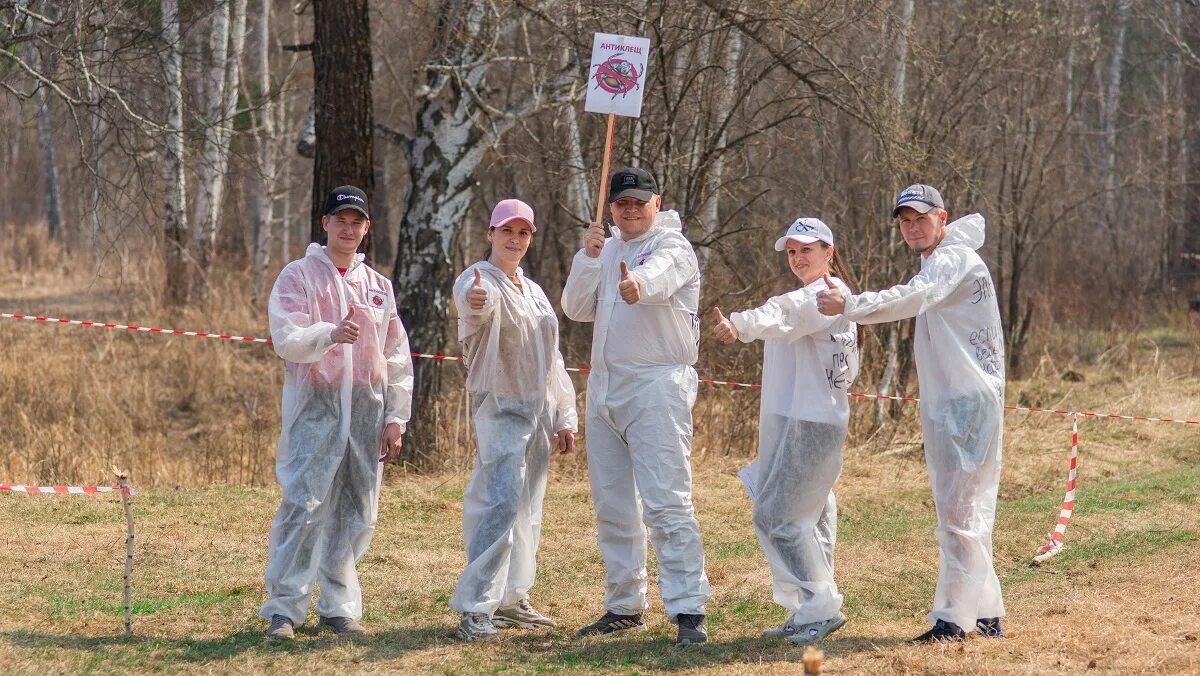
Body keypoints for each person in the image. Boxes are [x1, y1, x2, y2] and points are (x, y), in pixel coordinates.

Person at [816, 184, 1005, 643]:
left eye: (921, 217)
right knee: (966, 509)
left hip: (966, 403)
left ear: (943, 218)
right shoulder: (941, 257)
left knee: (958, 514)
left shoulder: (951, 259)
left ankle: (953, 621)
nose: (912, 226)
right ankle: (984, 611)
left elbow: (914, 296)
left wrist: (852, 306)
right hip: (958, 400)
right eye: (904, 220)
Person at [562, 167, 712, 646]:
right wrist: (587, 259)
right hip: (605, 387)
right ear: (611, 208)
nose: (630, 210)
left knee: (667, 501)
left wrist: (638, 285)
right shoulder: (605, 250)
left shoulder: (673, 245)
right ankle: (624, 605)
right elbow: (575, 308)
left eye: (639, 202)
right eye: (622, 203)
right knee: (613, 506)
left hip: (656, 386)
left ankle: (688, 607)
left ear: (656, 202)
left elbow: (660, 276)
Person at [260, 185, 414, 640]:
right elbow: (286, 336)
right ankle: (284, 610)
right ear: (325, 224)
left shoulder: (378, 288)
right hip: (316, 410)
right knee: (304, 504)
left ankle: (338, 607)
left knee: (356, 511)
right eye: (340, 220)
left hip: (366, 412)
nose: (348, 229)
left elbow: (397, 355)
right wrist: (328, 334)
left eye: (357, 222)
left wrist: (394, 417)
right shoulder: (298, 276)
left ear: (366, 229)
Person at [712, 217, 859, 645]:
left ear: (829, 252)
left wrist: (739, 324)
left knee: (777, 514)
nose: (797, 258)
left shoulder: (827, 297)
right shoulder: (820, 297)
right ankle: (808, 606)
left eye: (806, 250)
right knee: (809, 515)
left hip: (812, 424)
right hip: (794, 419)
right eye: (792, 252)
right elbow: (786, 316)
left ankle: (820, 605)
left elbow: (784, 311)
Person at [448, 199, 579, 641]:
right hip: (500, 406)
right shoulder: (476, 279)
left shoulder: (535, 290)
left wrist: (565, 414)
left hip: (538, 412)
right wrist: (477, 302)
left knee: (528, 509)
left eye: (523, 233)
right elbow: (472, 306)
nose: (515, 240)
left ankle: (511, 599)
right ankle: (476, 608)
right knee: (498, 504)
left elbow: (554, 358)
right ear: (490, 233)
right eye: (507, 231)